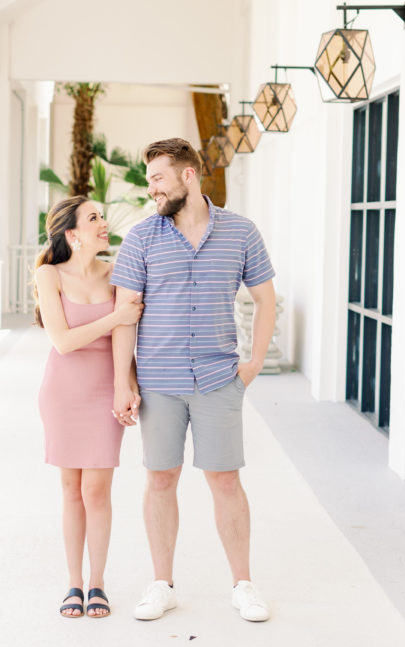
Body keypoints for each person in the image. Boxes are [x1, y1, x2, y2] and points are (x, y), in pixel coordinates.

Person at [110, 138, 277, 622]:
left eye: (158, 178)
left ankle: (243, 585)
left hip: (218, 379)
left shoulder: (241, 232)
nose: (151, 190)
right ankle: (162, 584)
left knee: (225, 480)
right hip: (159, 381)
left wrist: (254, 362)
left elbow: (266, 299)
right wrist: (125, 382)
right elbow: (125, 316)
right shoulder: (142, 238)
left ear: (187, 176)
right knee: (160, 478)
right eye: (148, 182)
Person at [34, 196, 143, 618]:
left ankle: (97, 582)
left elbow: (124, 341)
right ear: (72, 234)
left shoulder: (117, 273)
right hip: (62, 392)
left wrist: (126, 385)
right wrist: (116, 317)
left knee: (96, 490)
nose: (103, 222)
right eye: (93, 217)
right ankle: (73, 583)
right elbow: (62, 341)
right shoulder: (49, 274)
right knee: (70, 489)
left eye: (102, 216)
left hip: (104, 390)